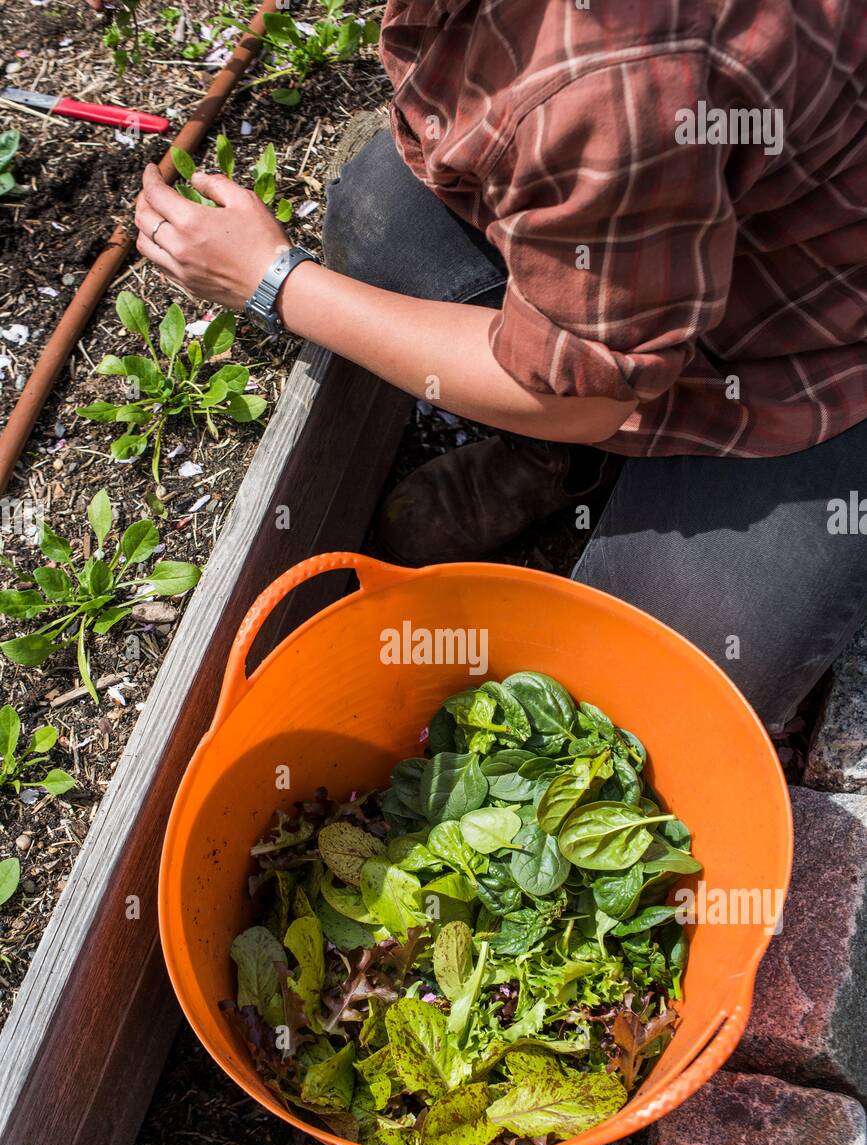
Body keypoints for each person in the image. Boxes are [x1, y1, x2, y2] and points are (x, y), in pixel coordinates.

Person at [97, 1, 867, 734]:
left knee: (639, 702)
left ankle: (570, 436)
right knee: (384, 225)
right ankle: (562, 463)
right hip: (669, 232)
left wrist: (273, 282)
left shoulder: (616, 76)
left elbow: (581, 398)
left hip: (805, 356)